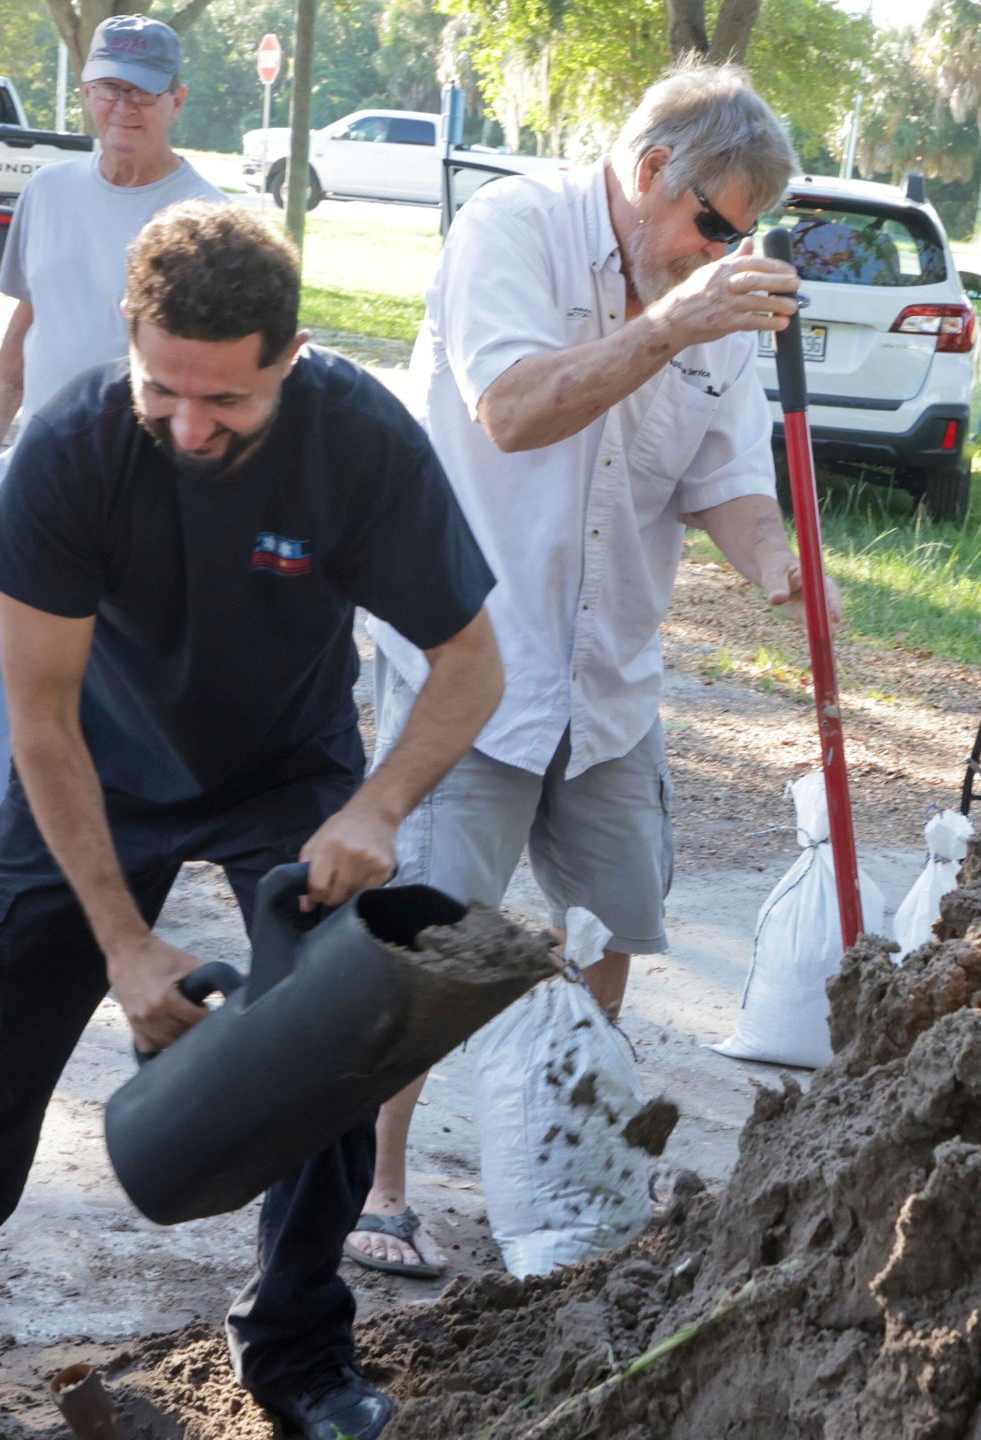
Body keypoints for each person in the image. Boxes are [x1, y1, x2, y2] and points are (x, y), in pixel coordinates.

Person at [0, 203, 500, 1440]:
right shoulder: (73, 446)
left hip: (287, 768)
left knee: (334, 1031)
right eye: (161, 387)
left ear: (287, 358)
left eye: (224, 402)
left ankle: (293, 1350)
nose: (186, 424)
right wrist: (124, 946)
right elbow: (42, 720)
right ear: (132, 339)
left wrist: (379, 807)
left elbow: (471, 664)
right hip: (96, 766)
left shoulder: (357, 441)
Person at [351, 60, 833, 1280]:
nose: (720, 249)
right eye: (713, 222)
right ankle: (377, 1194)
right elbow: (511, 409)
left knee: (608, 925)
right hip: (472, 665)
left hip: (610, 677)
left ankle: (567, 1174)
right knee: (428, 938)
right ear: (647, 167)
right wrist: (670, 321)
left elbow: (717, 472)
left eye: (743, 233)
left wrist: (777, 565)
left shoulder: (704, 295)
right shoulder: (510, 232)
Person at [0, 12, 225, 906]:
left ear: (177, 101)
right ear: (87, 93)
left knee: (112, 668)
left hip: (149, 476)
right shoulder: (48, 191)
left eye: (144, 92)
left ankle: (103, 856)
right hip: (42, 463)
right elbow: (28, 320)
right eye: (110, 87)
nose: (125, 106)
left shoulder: (208, 215)